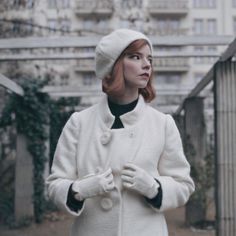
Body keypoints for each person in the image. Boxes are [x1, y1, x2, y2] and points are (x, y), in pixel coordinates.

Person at [46, 28, 195, 236]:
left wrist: (154, 188)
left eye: (149, 58)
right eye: (135, 57)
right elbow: (55, 184)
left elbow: (183, 184)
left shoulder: (162, 124)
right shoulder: (79, 123)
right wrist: (79, 190)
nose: (147, 65)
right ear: (113, 64)